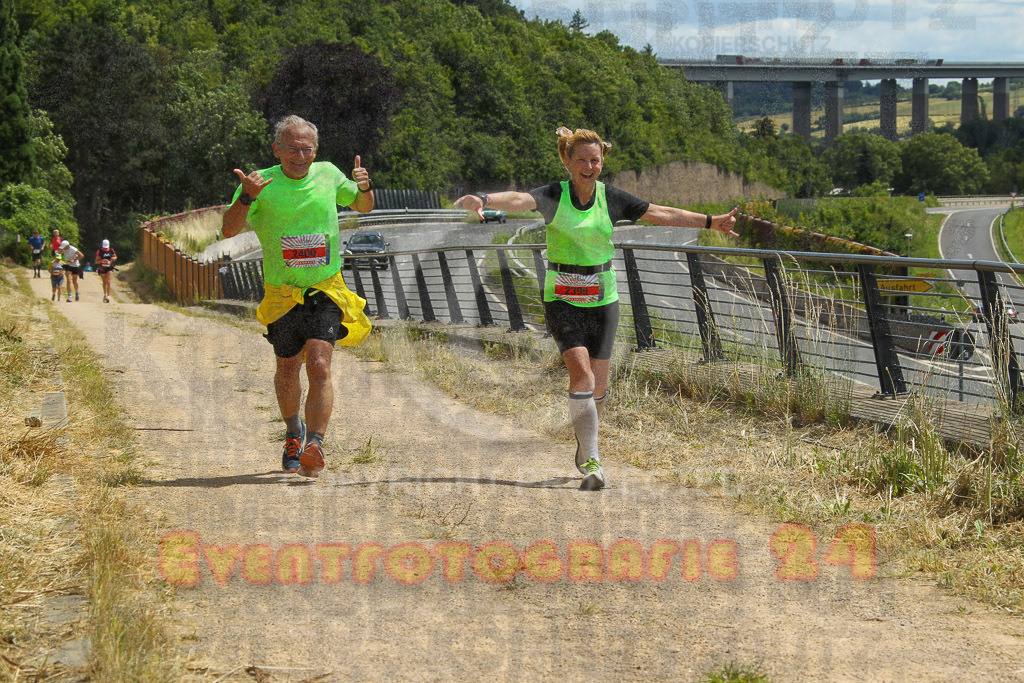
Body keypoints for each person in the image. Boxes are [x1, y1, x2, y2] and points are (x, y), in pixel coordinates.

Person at [455, 126, 738, 491]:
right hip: (562, 298)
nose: (589, 167)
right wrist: (485, 198)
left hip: (604, 300)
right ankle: (592, 461)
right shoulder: (555, 195)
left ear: (602, 161)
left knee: (599, 387)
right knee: (583, 377)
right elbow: (519, 200)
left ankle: (584, 440)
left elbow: (660, 213)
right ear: (568, 161)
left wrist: (712, 222)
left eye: (595, 160)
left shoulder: (611, 197)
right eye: (582, 160)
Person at [222, 115, 374, 478]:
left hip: (325, 287)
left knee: (319, 364)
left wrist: (365, 187)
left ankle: (314, 444)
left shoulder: (328, 173)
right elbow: (228, 230)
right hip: (282, 293)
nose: (300, 156)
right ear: (277, 150)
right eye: (292, 149)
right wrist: (246, 197)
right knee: (288, 367)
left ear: (316, 150)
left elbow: (363, 206)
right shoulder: (260, 182)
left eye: (307, 149)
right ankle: (293, 433)